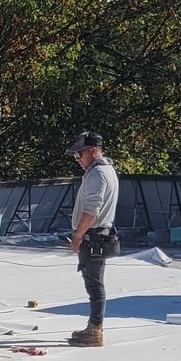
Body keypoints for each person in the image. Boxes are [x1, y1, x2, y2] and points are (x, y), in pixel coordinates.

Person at [65, 132, 119, 347]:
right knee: (94, 283)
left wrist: (78, 235)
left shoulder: (98, 174)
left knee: (94, 285)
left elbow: (92, 209)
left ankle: (95, 330)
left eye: (80, 153)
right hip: (99, 236)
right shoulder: (105, 171)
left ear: (93, 150)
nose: (78, 158)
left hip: (94, 237)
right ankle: (94, 328)